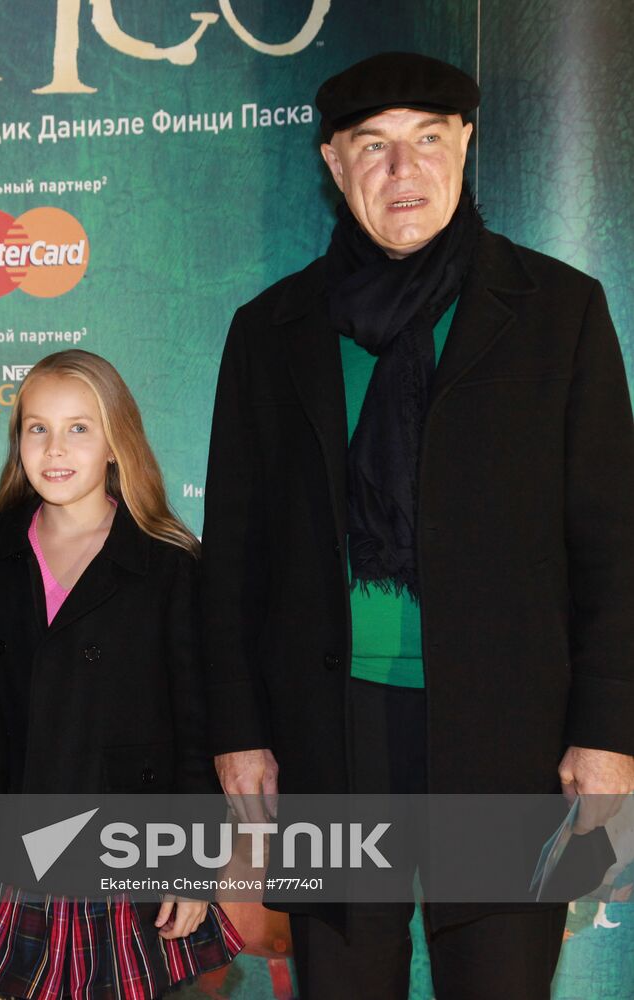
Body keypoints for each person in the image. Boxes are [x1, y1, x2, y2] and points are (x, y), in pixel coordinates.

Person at [201, 51, 634, 999]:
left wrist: (607, 731)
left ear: (465, 145)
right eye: (374, 147)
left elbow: (611, 543)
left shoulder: (560, 313)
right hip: (329, 734)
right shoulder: (269, 331)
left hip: (507, 735)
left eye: (428, 140)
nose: (405, 171)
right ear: (332, 161)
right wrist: (239, 730)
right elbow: (234, 556)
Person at [0, 350, 242, 999]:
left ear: (116, 442)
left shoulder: (169, 564)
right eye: (38, 427)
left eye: (79, 427)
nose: (55, 448)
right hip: (23, 845)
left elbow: (198, 732)